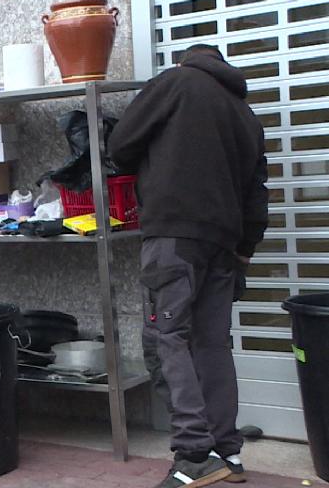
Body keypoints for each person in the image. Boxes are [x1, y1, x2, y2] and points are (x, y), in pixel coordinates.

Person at [109, 44, 269, 488]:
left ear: (184, 60)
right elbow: (257, 192)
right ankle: (227, 452)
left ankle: (194, 454)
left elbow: (120, 143)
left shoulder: (176, 83)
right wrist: (245, 249)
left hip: (175, 237)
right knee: (212, 343)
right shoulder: (245, 114)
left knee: (167, 339)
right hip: (225, 244)